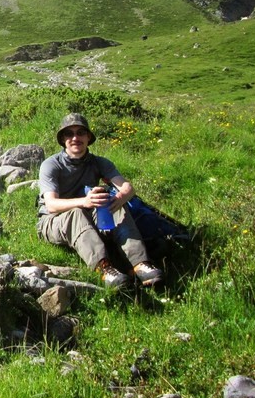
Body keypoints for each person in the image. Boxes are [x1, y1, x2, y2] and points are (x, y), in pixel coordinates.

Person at [37, 113, 163, 288]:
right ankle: (104, 268)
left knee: (115, 204)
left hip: (88, 214)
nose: (75, 138)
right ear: (63, 139)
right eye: (69, 134)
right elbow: (51, 205)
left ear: (88, 137)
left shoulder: (99, 163)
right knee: (77, 213)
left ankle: (140, 263)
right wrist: (85, 201)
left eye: (81, 132)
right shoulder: (51, 165)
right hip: (52, 221)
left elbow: (128, 188)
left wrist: (118, 198)